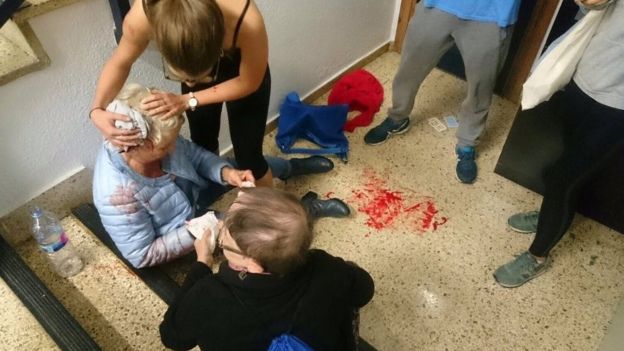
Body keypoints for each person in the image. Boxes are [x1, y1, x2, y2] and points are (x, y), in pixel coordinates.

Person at [93, 84, 348, 268]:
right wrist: (202, 228)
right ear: (139, 146)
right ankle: (305, 211)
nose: (173, 149)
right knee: (255, 228)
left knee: (248, 166)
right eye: (165, 147)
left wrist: (226, 173)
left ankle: (290, 168)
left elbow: (195, 156)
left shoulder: (158, 135)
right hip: (182, 228)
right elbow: (141, 255)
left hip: (192, 192)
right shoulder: (115, 194)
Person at [494, 0, 622, 287]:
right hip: (583, 78)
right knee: (564, 160)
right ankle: (549, 215)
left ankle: (538, 256)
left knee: (566, 177)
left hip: (617, 106)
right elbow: (589, 6)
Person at [89, 0, 278, 187]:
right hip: (194, 56)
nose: (189, 84)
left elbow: (249, 81)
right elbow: (120, 63)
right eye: (185, 79)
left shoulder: (246, 20)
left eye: (197, 79)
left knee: (249, 158)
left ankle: (268, 209)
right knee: (203, 145)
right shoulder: (141, 16)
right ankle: (213, 196)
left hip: (243, 74)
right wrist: (97, 109)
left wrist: (189, 99)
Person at [160, 187, 375, 350]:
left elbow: (172, 336)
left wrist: (202, 262)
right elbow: (364, 289)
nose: (220, 226)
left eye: (225, 236)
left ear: (251, 263)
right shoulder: (324, 265)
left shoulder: (208, 296)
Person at [363, 0, 521, 184]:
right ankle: (397, 117)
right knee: (409, 69)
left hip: (493, 16)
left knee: (481, 87)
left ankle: (467, 143)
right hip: (437, 5)